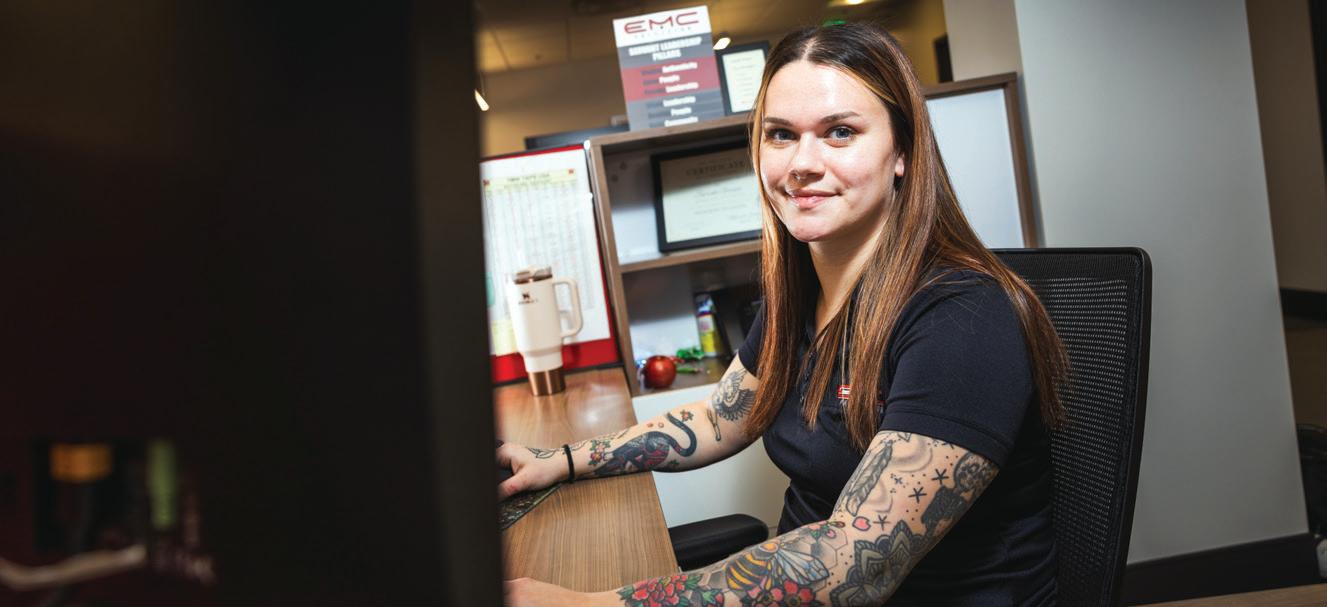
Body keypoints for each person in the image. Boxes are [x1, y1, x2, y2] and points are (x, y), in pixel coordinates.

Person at [498, 21, 1068, 607]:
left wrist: (591, 605)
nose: (802, 163)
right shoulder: (801, 293)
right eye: (780, 135)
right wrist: (561, 461)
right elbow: (720, 419)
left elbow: (855, 561)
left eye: (840, 132)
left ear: (901, 152)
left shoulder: (963, 318)